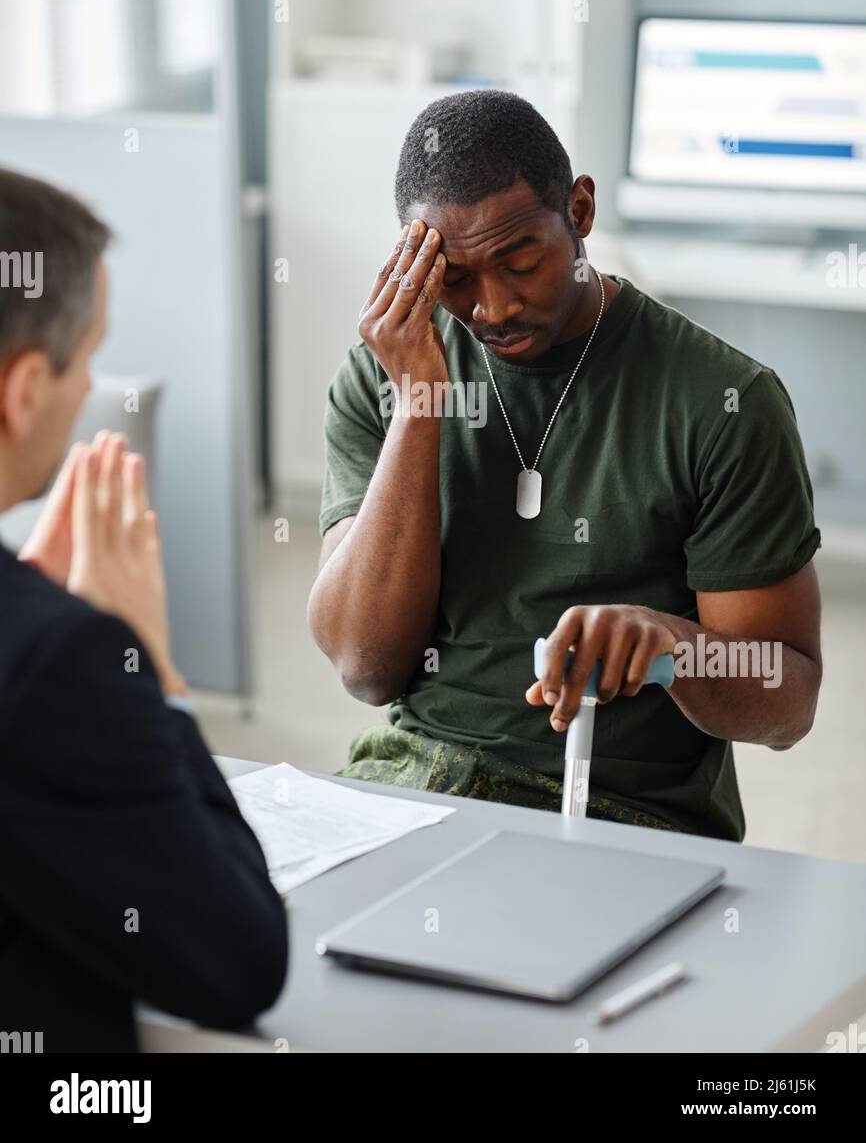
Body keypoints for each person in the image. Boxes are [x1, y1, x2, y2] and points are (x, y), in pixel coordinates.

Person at [307, 89, 823, 842]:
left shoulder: (724, 402)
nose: (493, 308)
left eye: (522, 262)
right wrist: (420, 406)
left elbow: (789, 701)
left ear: (579, 210)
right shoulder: (385, 377)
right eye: (453, 278)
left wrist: (670, 647)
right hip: (414, 778)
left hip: (620, 814)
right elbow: (364, 663)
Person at [0, 167, 288, 1052]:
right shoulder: (60, 663)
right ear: (22, 392)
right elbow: (237, 961)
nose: (90, 389)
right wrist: (150, 668)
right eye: (87, 358)